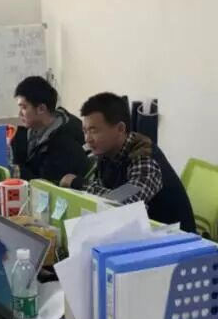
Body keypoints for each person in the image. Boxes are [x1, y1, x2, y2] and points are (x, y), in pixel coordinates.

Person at [62, 92, 195, 230]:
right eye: (85, 131)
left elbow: (122, 204)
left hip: (172, 238)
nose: (87, 139)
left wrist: (79, 184)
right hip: (135, 231)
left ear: (120, 128)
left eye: (94, 131)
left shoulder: (145, 159)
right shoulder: (106, 153)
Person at [10, 76, 89, 184]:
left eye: (24, 107)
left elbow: (48, 185)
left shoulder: (66, 141)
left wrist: (16, 171)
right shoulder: (29, 132)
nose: (19, 114)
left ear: (41, 109)